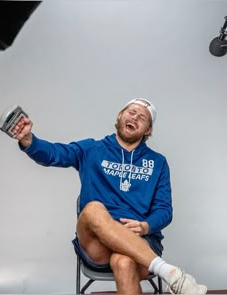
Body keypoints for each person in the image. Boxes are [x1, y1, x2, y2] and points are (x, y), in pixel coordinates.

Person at [12, 98, 207, 294]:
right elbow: (53, 153)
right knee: (92, 209)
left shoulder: (158, 163)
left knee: (123, 262)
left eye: (142, 117)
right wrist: (28, 139)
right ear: (120, 116)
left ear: (148, 130)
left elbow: (164, 210)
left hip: (140, 240)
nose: (135, 118)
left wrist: (145, 226)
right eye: (131, 112)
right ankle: (170, 274)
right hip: (96, 244)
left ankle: (171, 275)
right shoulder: (91, 149)